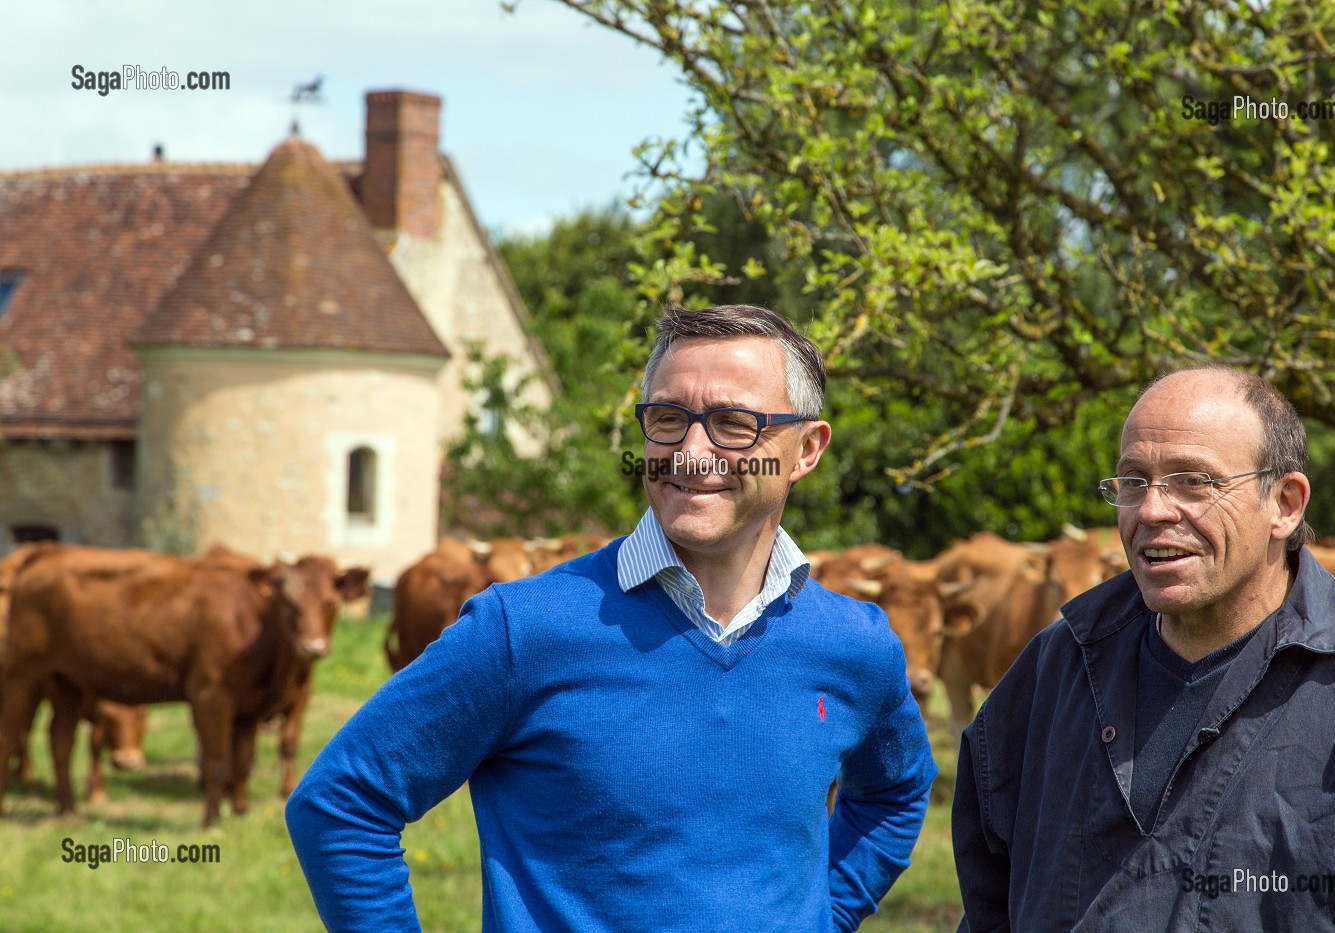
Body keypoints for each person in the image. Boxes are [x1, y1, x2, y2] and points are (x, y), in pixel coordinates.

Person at [286, 304, 937, 932]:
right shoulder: (523, 630)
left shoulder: (855, 644)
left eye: (734, 423)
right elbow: (342, 804)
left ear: (807, 449)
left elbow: (897, 793)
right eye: (668, 418)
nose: (691, 452)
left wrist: (823, 914)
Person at [952, 366, 1335, 931]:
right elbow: (988, 901)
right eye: (1133, 482)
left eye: (1194, 481)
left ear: (1285, 504)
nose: (1152, 510)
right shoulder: (1053, 669)